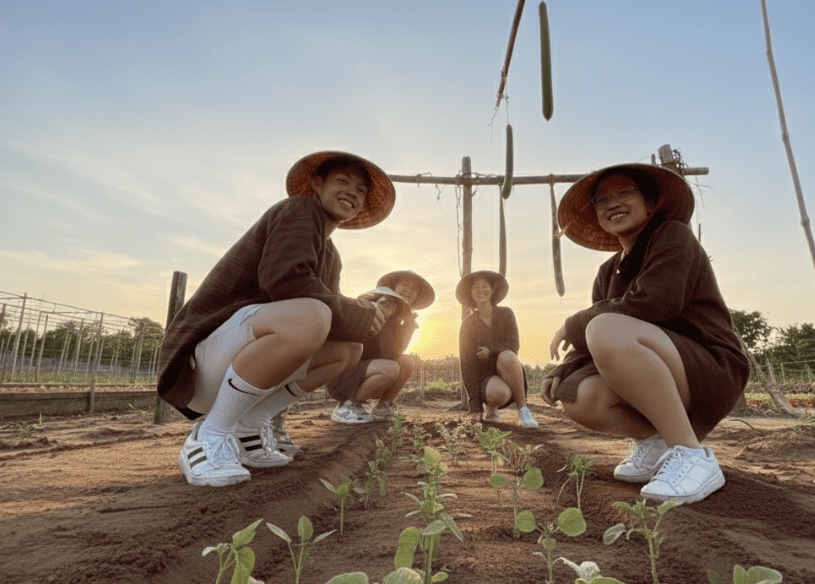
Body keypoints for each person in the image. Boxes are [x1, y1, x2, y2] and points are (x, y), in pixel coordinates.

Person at [157, 150, 395, 487]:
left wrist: (363, 315)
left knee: (348, 349)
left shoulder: (330, 253)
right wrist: (355, 311)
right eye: (342, 181)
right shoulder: (298, 210)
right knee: (310, 315)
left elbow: (331, 321)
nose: (351, 193)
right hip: (202, 363)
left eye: (360, 190)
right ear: (316, 183)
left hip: (236, 367)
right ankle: (209, 435)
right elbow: (287, 281)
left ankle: (249, 425)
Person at [541, 162, 748, 504]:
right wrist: (563, 368)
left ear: (651, 204)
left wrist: (571, 324)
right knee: (579, 395)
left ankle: (692, 455)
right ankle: (656, 443)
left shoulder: (672, 236)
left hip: (709, 367)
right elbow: (597, 339)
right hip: (662, 368)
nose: (613, 203)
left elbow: (653, 305)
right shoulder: (607, 271)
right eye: (603, 199)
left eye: (625, 192)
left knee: (605, 327)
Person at [327, 271, 436, 423]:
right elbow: (389, 355)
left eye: (414, 288)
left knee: (406, 361)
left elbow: (395, 352)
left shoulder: (396, 320)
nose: (409, 290)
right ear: (394, 286)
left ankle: (381, 407)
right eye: (405, 284)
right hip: (344, 375)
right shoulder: (371, 309)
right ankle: (347, 406)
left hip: (366, 370)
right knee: (390, 367)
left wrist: (408, 325)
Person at [457, 270, 539, 429]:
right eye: (475, 287)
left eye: (485, 286)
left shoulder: (506, 314)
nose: (481, 290)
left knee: (507, 355)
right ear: (470, 293)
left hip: (508, 367)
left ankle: (523, 411)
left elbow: (513, 345)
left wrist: (491, 350)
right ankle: (491, 408)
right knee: (499, 393)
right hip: (485, 376)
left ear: (492, 289)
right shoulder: (467, 324)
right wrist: (474, 405)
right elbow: (466, 363)